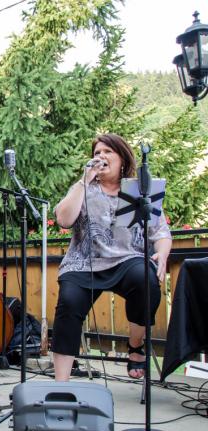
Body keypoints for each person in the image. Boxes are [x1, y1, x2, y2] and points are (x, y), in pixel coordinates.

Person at [52, 133, 172, 381]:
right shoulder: (84, 188)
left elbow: (160, 231)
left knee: (145, 281)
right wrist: (84, 181)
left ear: (122, 158)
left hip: (127, 259)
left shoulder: (139, 190)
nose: (101, 157)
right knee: (69, 302)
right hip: (84, 262)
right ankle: (60, 384)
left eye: (108, 152)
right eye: (97, 153)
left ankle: (136, 347)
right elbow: (63, 219)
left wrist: (162, 251)